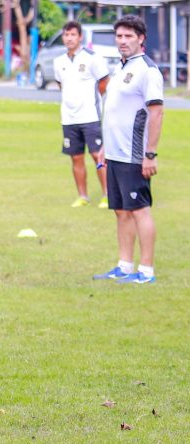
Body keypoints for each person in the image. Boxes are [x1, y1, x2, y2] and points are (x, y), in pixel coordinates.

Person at [94, 15, 163, 284]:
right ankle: (124, 265)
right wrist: (104, 148)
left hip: (135, 154)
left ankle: (146, 271)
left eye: (128, 36)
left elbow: (156, 113)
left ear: (141, 38)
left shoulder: (147, 70)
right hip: (115, 153)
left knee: (140, 210)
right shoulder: (121, 68)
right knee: (121, 211)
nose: (122, 41)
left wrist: (150, 153)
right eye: (119, 36)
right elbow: (115, 112)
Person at [54, 20, 110, 208]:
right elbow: (61, 85)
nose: (69, 38)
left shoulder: (92, 58)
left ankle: (107, 195)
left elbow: (103, 83)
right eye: (66, 35)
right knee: (76, 157)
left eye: (73, 35)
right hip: (69, 119)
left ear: (80, 37)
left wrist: (93, 102)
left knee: (98, 157)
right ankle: (83, 196)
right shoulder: (58, 61)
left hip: (91, 117)